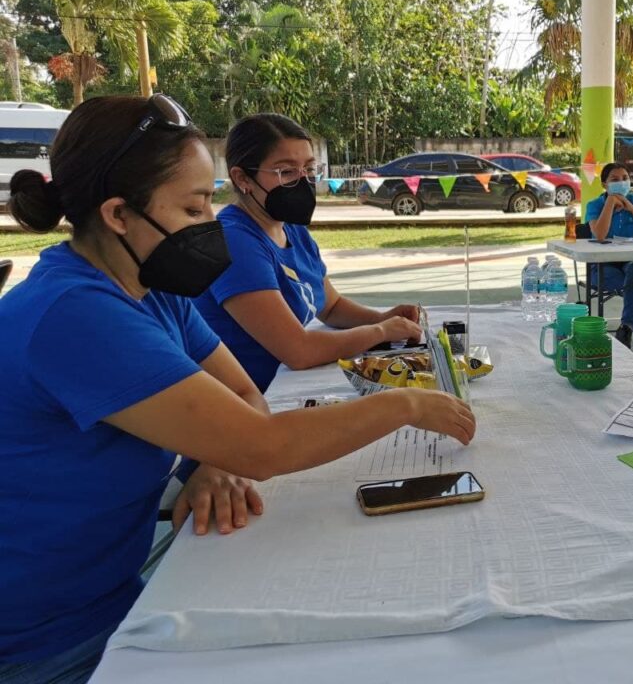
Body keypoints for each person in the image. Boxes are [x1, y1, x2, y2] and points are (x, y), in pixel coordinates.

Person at [0, 95, 475, 684]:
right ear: (119, 214)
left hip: (110, 595)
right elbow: (263, 446)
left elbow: (246, 394)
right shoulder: (76, 313)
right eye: (193, 206)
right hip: (44, 639)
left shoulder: (152, 288)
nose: (211, 221)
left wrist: (213, 459)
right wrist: (404, 404)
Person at [193, 114, 422, 393]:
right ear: (243, 178)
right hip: (246, 399)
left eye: (309, 169)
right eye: (286, 172)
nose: (303, 181)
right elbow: (299, 351)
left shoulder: (290, 228)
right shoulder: (235, 241)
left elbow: (331, 307)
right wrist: (380, 332)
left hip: (282, 386)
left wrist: (381, 317)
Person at [585, 162, 633, 371]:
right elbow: (600, 235)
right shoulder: (595, 204)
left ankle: (626, 326)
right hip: (601, 267)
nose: (621, 183)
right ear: (604, 184)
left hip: (628, 262)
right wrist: (610, 203)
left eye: (625, 178)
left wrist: (632, 208)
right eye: (615, 180)